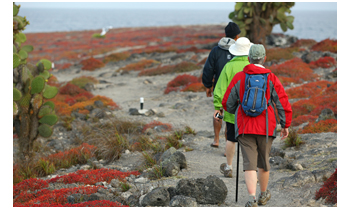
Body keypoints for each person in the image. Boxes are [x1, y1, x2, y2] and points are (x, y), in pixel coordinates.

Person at [222, 44, 292, 206]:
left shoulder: (239, 77)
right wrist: (285, 124)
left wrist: (237, 110)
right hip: (266, 127)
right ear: (264, 58)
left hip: (245, 126)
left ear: (248, 59)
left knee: (249, 165)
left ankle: (251, 198)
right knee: (263, 162)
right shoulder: (271, 77)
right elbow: (282, 102)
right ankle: (263, 194)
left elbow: (227, 102)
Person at [213, 37, 252, 177]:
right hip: (251, 111)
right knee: (250, 142)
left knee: (231, 139)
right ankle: (251, 171)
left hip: (232, 111)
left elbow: (220, 89)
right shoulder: (252, 67)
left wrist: (218, 107)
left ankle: (229, 167)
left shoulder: (228, 66)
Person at [202, 22, 241, 149]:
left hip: (219, 88)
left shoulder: (216, 50)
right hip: (235, 89)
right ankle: (227, 144)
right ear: (236, 36)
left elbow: (208, 69)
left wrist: (208, 86)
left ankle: (216, 139)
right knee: (230, 117)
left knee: (218, 112)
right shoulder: (239, 51)